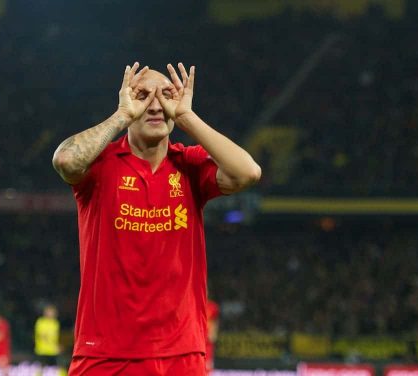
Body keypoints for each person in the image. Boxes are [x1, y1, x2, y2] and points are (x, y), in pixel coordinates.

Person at [52, 62, 261, 375]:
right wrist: (121, 116)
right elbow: (66, 160)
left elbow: (248, 172)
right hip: (106, 352)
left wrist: (188, 118)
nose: (155, 104)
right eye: (142, 95)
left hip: (180, 353)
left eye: (166, 95)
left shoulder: (189, 165)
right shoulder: (101, 165)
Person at [34, 304, 61, 371]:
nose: (50, 314)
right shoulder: (40, 322)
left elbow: (56, 337)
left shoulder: (55, 323)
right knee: (41, 370)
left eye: (51, 312)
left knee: (53, 370)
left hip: (53, 351)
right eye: (48, 312)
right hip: (42, 350)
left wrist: (57, 346)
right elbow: (42, 336)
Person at [205, 299, 220, 374]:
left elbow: (215, 321)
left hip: (207, 344)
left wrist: (213, 333)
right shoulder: (194, 305)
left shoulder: (212, 307)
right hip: (196, 342)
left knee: (207, 369)